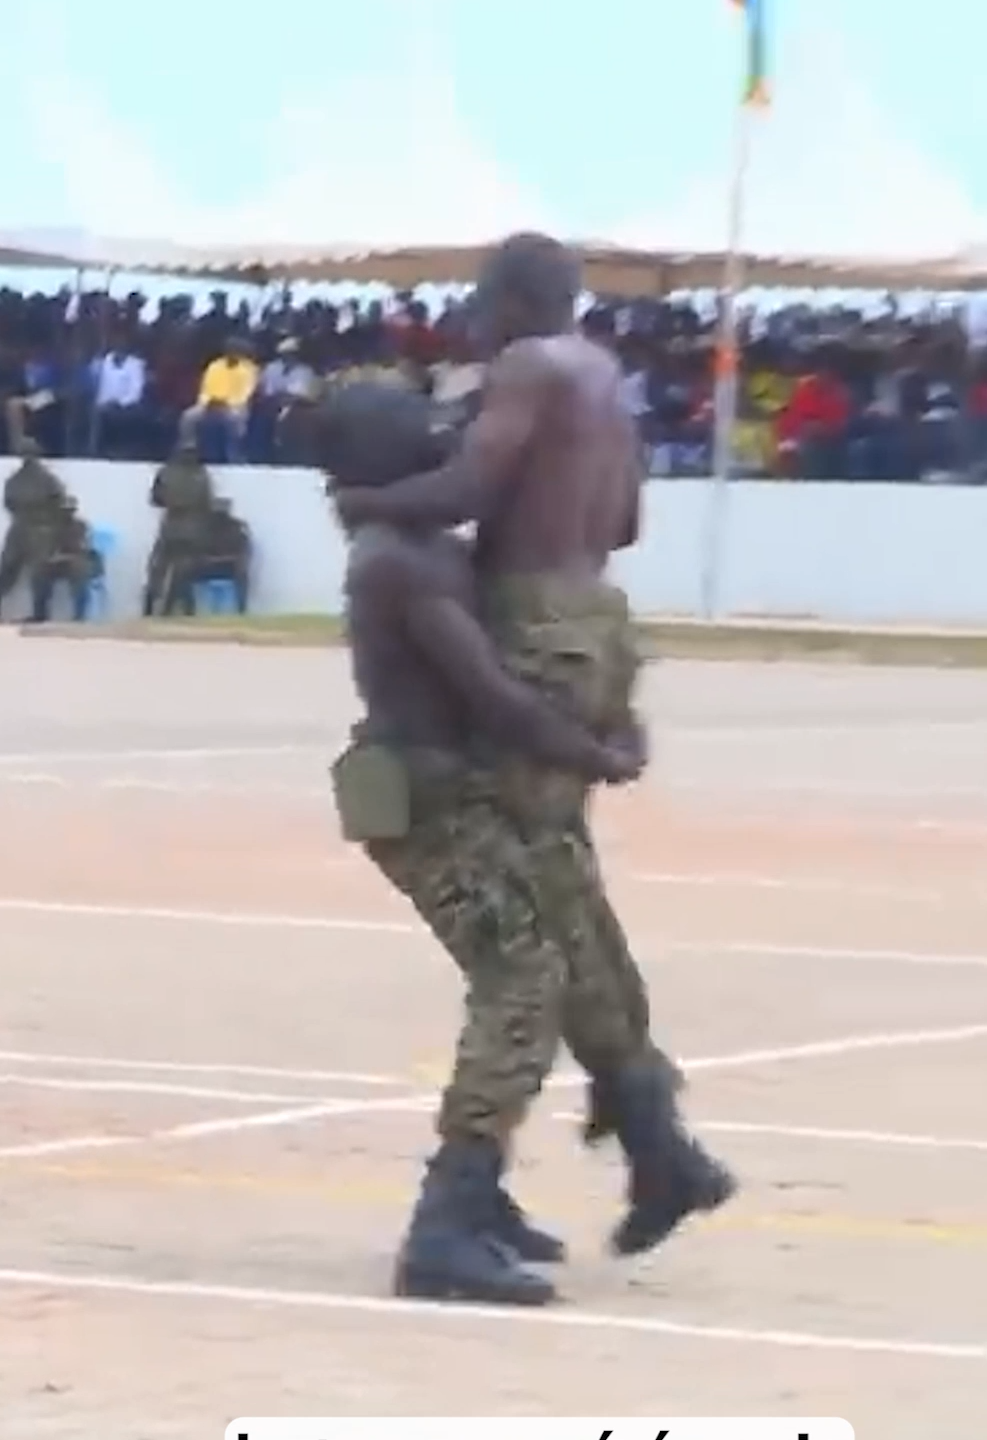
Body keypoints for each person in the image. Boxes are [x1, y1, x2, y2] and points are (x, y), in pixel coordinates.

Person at [329, 234, 735, 1287]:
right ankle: (651, 1141)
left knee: (544, 920)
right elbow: (632, 519)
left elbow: (468, 483)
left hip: (539, 635)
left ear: (510, 300)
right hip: (597, 621)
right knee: (560, 909)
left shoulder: (522, 371)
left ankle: (514, 1189)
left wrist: (375, 500)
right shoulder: (603, 375)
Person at [323, 379, 647, 1305]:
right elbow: (487, 693)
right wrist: (588, 753)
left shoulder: (426, 544)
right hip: (423, 803)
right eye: (416, 427)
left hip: (457, 792)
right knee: (522, 978)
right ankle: (446, 1220)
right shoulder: (396, 561)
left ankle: (481, 1195)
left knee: (530, 973)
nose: (443, 432)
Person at [142, 437, 215, 616]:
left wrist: (171, 502)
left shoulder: (167, 472)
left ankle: (151, 609)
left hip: (172, 526)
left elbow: (155, 499)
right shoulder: (201, 475)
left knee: (159, 570)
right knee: (179, 573)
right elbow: (207, 503)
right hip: (190, 529)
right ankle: (171, 610)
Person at [0, 439, 67, 616]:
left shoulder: (48, 480)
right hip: (20, 527)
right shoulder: (15, 480)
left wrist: (51, 526)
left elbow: (59, 504)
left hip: (41, 529)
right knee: (7, 567)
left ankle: (40, 613)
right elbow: (9, 503)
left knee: (40, 573)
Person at [163, 496, 252, 616]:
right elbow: (194, 550)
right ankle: (186, 611)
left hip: (228, 568)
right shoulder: (204, 528)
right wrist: (200, 558)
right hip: (206, 567)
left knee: (242, 574)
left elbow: (244, 552)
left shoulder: (236, 529)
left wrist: (222, 560)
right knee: (181, 571)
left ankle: (242, 611)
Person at [25, 493, 102, 623]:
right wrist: (51, 557)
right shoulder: (50, 527)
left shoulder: (81, 526)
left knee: (80, 570)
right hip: (56, 563)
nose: (66, 513)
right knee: (39, 572)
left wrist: (65, 556)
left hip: (75, 562)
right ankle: (40, 614)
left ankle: (80, 616)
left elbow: (83, 548)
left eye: (69, 510)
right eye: (63, 510)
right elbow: (44, 550)